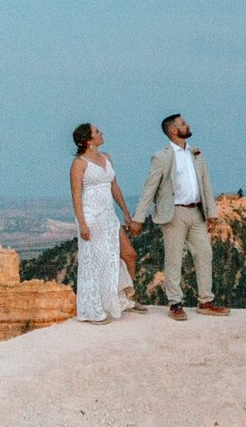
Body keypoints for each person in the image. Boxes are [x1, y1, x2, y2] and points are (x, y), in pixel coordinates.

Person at [133, 112, 224, 319]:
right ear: (174, 131)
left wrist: (212, 213)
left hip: (197, 211)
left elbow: (205, 184)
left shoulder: (195, 153)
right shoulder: (162, 157)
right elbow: (149, 188)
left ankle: (206, 301)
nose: (188, 124)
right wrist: (138, 218)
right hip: (174, 213)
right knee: (174, 258)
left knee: (204, 253)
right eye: (183, 123)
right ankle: (175, 303)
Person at [69, 122, 135, 323]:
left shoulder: (106, 158)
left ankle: (124, 298)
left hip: (109, 216)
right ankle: (94, 309)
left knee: (128, 254)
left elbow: (114, 186)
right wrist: (82, 224)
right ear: (89, 140)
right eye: (97, 131)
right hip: (91, 216)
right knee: (96, 263)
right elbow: (76, 196)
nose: (101, 133)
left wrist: (125, 211)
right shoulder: (79, 164)